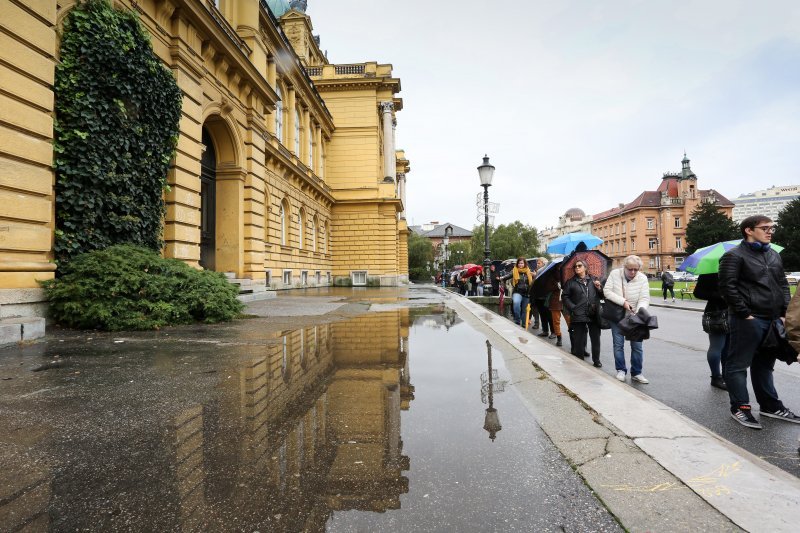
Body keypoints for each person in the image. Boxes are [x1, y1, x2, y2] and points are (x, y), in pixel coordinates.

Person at [719, 215, 798, 429]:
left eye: (771, 228)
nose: (770, 231)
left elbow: (782, 285)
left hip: (773, 320)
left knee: (765, 366)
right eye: (764, 228)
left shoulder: (773, 255)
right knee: (737, 365)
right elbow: (727, 287)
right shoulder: (733, 256)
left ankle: (770, 406)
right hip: (747, 319)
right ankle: (741, 408)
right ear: (748, 230)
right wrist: (745, 314)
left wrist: (784, 313)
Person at [604, 255, 651, 383]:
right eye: (630, 269)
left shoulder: (642, 278)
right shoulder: (615, 274)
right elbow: (607, 291)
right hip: (617, 316)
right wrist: (623, 302)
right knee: (618, 344)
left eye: (636, 269)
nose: (633, 272)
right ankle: (621, 370)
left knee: (637, 346)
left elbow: (645, 297)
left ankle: (637, 372)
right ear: (624, 267)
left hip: (635, 317)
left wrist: (640, 310)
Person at [562, 260, 603, 367]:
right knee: (578, 339)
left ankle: (596, 360)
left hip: (593, 313)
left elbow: (602, 296)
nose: (577, 268)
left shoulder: (594, 280)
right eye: (575, 266)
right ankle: (580, 360)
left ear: (585, 267)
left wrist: (599, 288)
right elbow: (565, 297)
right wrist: (573, 308)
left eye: (579, 266)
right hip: (578, 313)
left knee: (595, 338)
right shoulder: (570, 282)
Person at [693, 273, 728, 390]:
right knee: (717, 346)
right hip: (716, 313)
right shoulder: (711, 271)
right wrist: (720, 295)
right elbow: (698, 292)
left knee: (728, 348)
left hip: (735, 312)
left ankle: (726, 376)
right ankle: (716, 377)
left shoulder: (739, 267)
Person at [500, 257, 533, 326]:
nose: (520, 265)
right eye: (519, 263)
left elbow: (532, 282)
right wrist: (502, 279)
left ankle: (524, 324)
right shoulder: (514, 270)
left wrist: (535, 275)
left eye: (522, 263)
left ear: (524, 264)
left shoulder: (528, 271)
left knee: (524, 310)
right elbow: (507, 276)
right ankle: (517, 320)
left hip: (527, 293)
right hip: (517, 292)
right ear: (517, 264)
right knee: (516, 304)